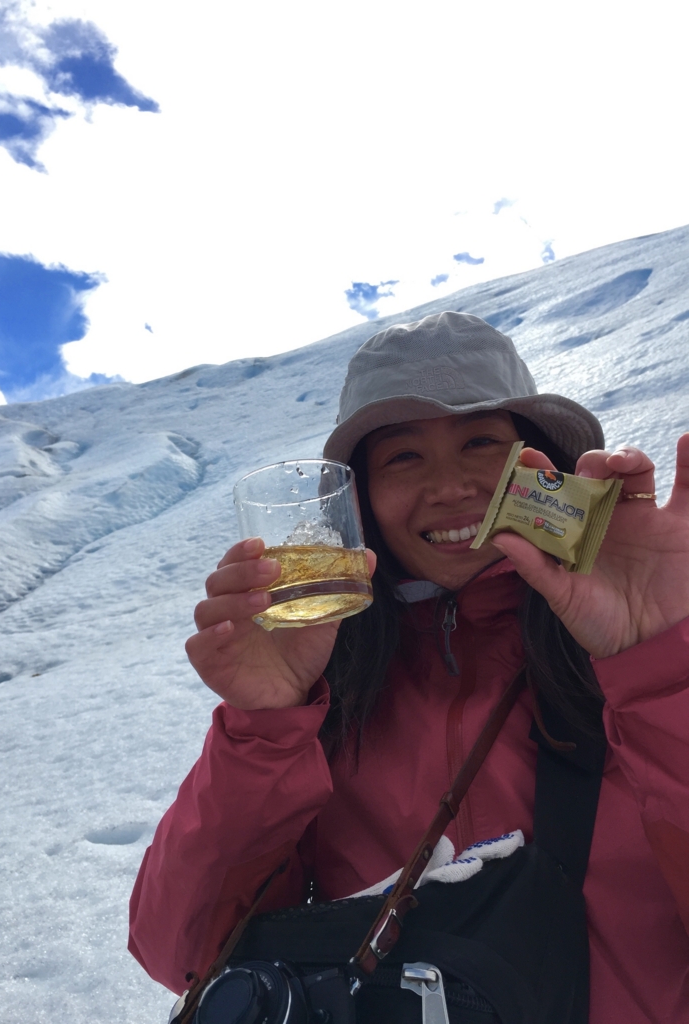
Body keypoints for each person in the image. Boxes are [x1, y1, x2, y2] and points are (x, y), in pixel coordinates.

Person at [129, 312, 689, 1022]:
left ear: (536, 461)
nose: (450, 485)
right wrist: (264, 728)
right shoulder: (334, 691)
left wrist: (660, 667)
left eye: (481, 442)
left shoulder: (642, 649)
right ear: (358, 498)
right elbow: (179, 948)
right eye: (403, 458)